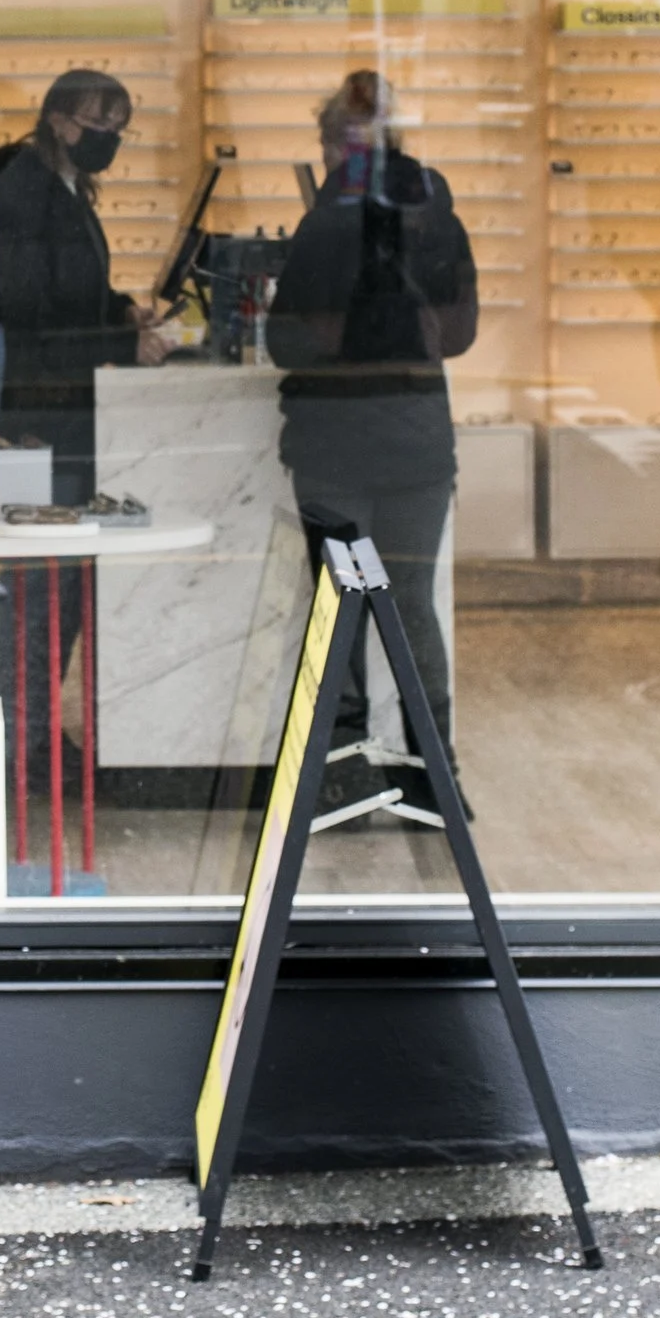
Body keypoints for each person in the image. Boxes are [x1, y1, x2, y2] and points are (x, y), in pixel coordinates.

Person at [265, 67, 477, 818]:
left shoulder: (324, 223)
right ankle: (434, 773)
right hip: (418, 439)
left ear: (339, 142)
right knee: (412, 605)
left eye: (331, 138)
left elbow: (285, 341)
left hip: (333, 442)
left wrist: (331, 333)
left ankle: (338, 771)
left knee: (339, 607)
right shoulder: (437, 214)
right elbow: (460, 333)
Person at [0, 72, 177, 849]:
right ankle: (16, 742)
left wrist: (118, 307)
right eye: (104, 123)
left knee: (56, 583)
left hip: (60, 410)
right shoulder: (23, 191)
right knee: (40, 585)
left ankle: (30, 734)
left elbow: (71, 295)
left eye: (122, 124)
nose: (112, 139)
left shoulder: (58, 186)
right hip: (40, 415)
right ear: (61, 120)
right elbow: (32, 316)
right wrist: (117, 341)